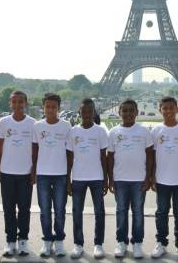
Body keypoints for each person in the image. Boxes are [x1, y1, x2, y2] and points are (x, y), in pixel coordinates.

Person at [107, 99, 154, 259]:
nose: (128, 113)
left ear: (137, 112)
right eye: (124, 110)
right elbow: (110, 157)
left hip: (139, 179)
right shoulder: (113, 132)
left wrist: (148, 177)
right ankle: (121, 242)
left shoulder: (144, 131)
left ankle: (137, 243)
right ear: (119, 112)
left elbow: (150, 155)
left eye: (131, 110)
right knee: (121, 211)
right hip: (120, 179)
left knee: (138, 212)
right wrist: (110, 179)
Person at [150, 96, 178, 259]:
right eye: (165, 108)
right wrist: (152, 176)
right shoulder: (156, 131)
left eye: (171, 108)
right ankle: (161, 242)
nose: (168, 111)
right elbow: (152, 156)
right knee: (161, 213)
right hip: (162, 180)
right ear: (160, 110)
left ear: (176, 109)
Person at [66, 98, 108, 259]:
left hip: (97, 177)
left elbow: (103, 157)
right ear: (79, 112)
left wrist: (105, 179)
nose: (87, 114)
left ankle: (98, 244)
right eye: (84, 111)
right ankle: (78, 244)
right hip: (78, 178)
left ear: (94, 112)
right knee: (77, 212)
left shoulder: (100, 131)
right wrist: (68, 179)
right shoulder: (73, 131)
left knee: (99, 212)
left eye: (90, 111)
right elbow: (69, 157)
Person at [0, 91, 36, 257]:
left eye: (21, 102)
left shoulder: (33, 123)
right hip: (7, 173)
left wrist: (34, 170)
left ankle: (23, 240)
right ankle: (10, 240)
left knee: (24, 209)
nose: (17, 105)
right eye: (14, 102)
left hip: (25, 173)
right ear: (10, 103)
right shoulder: (3, 122)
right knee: (9, 209)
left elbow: (35, 149)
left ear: (26, 103)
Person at [32, 92, 71, 257]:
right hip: (43, 174)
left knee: (60, 210)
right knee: (45, 210)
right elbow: (34, 151)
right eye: (47, 106)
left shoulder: (66, 126)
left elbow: (69, 153)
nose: (50, 109)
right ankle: (47, 240)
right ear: (43, 107)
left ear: (59, 108)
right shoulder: (37, 126)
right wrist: (33, 171)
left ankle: (59, 240)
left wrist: (68, 177)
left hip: (61, 174)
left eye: (54, 107)